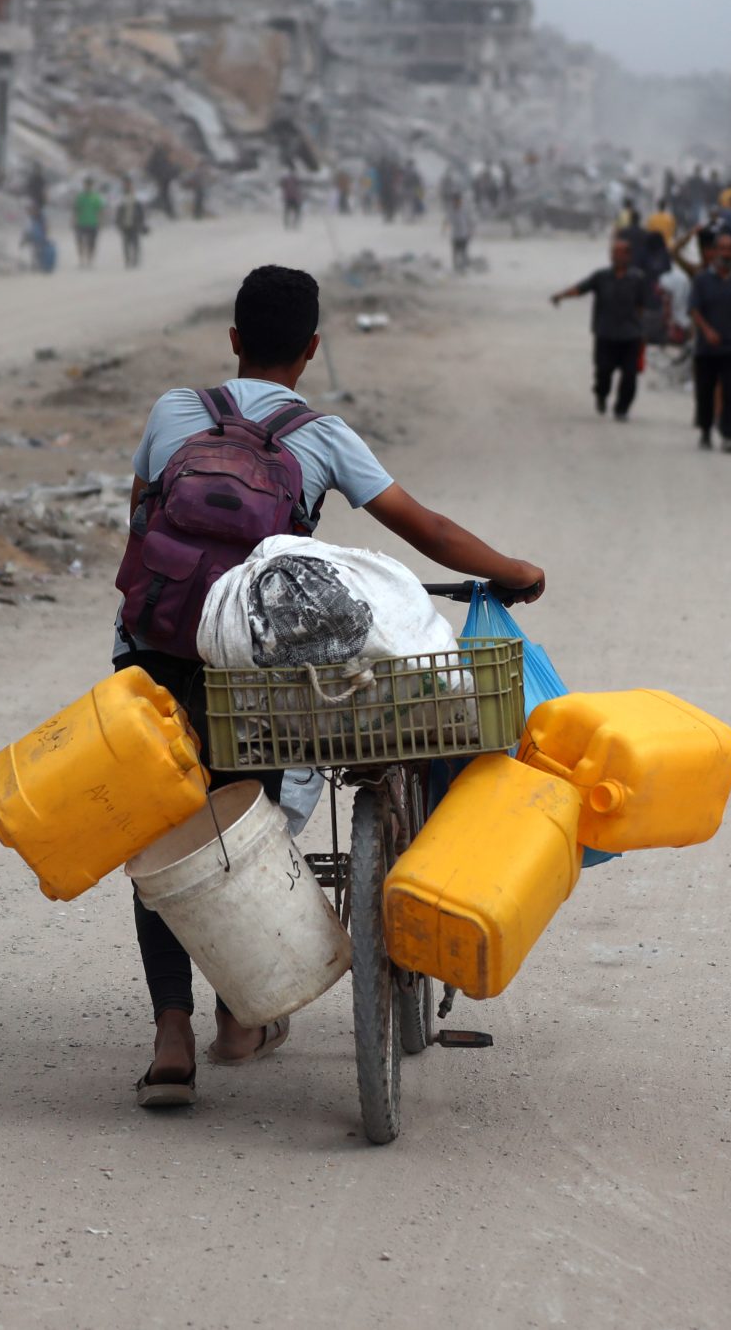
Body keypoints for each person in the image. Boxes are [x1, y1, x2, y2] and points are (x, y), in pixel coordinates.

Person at [115, 266, 543, 1107]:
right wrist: (514, 570)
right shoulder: (322, 434)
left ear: (233, 338)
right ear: (311, 349)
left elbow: (139, 528)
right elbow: (428, 529)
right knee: (246, 823)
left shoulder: (174, 412)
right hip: (254, 668)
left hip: (156, 651)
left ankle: (171, 1033)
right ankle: (241, 1016)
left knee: (164, 827)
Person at [551, 235, 662, 420]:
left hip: (630, 336)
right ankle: (601, 395)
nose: (616, 256)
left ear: (629, 256)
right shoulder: (601, 277)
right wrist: (560, 296)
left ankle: (622, 409)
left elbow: (642, 306)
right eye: (614, 253)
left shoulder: (638, 279)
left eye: (620, 253)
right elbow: (580, 289)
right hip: (605, 334)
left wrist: (639, 329)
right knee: (603, 372)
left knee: (630, 375)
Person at [688, 233, 731, 451]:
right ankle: (706, 431)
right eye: (723, 249)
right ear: (714, 252)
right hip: (706, 349)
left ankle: (729, 434)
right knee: (705, 393)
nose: (726, 253)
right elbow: (694, 310)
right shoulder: (701, 280)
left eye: (730, 249)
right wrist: (707, 331)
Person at [73, 180, 107, 266]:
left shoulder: (96, 197)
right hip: (81, 223)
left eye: (89, 185)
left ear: (91, 186)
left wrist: (101, 221)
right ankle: (81, 260)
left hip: (93, 223)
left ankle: (90, 260)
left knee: (92, 243)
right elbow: (76, 210)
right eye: (86, 185)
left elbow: (100, 210)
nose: (87, 187)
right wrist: (74, 220)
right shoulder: (80, 197)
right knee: (80, 242)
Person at [446, 190, 478, 273]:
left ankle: (464, 268)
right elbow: (448, 220)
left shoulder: (465, 209)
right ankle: (456, 268)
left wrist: (471, 231)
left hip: (464, 235)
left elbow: (470, 221)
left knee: (464, 253)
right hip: (455, 236)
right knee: (455, 253)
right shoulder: (451, 209)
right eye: (455, 200)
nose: (457, 202)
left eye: (458, 200)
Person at [116, 191, 149, 269]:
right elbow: (119, 215)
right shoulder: (122, 205)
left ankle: (135, 259)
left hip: (134, 226)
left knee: (135, 244)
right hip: (125, 227)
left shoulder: (137, 204)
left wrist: (141, 224)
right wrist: (119, 224)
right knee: (126, 244)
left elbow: (141, 215)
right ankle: (128, 260)